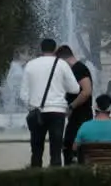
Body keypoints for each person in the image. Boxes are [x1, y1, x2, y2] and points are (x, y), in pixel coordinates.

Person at [20, 38, 81, 168]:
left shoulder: (30, 64)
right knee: (56, 151)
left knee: (36, 151)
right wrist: (60, 86)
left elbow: (23, 94)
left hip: (37, 112)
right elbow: (75, 89)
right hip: (57, 112)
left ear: (40, 49)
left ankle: (36, 178)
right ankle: (55, 178)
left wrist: (32, 105)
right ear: (55, 49)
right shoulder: (62, 64)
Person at [55, 45, 93, 166]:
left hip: (82, 117)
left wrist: (71, 106)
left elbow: (86, 91)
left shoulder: (79, 69)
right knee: (68, 146)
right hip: (77, 117)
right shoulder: (76, 69)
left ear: (63, 59)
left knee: (70, 148)